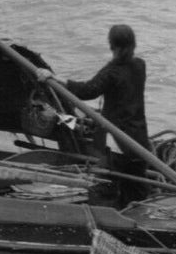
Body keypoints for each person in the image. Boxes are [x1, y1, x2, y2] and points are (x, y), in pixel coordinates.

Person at [65, 24, 152, 176]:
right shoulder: (140, 65)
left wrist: (60, 82)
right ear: (133, 43)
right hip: (139, 138)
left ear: (112, 46)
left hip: (118, 139)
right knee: (137, 182)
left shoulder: (112, 73)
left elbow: (87, 91)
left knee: (108, 183)